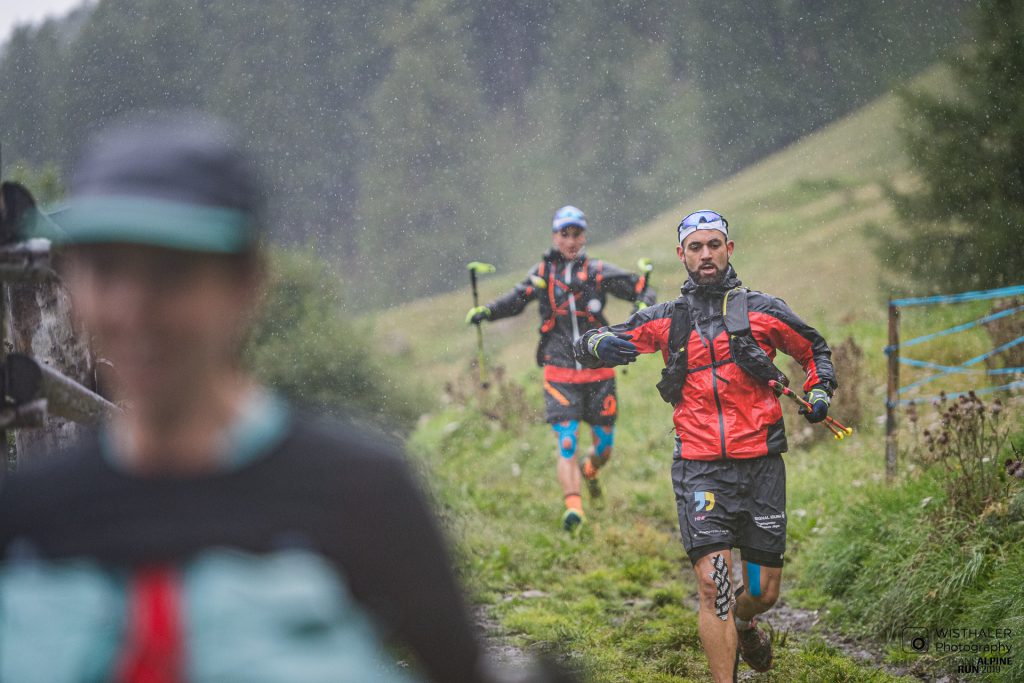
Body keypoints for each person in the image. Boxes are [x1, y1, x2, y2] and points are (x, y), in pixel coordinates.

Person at [0, 110, 563, 683]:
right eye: (106, 270)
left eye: (171, 273)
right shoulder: (25, 515)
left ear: (248, 284)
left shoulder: (362, 494)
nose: (131, 309)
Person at [573, 210, 836, 681]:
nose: (706, 254)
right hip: (700, 469)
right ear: (682, 256)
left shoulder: (761, 310)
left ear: (729, 249)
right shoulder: (667, 320)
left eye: (714, 244)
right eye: (696, 247)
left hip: (761, 464)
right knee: (713, 586)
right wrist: (596, 347)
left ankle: (745, 618)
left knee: (763, 590)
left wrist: (818, 392)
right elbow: (594, 338)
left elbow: (813, 350)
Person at [466, 206, 655, 531]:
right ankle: (574, 509)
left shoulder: (597, 270)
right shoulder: (541, 273)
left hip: (599, 372)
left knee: (604, 448)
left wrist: (644, 304)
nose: (570, 240)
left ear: (583, 236)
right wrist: (487, 311)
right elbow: (515, 300)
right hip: (559, 371)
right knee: (566, 442)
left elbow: (641, 289)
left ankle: (591, 469)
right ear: (554, 236)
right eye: (564, 234)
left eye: (576, 234)